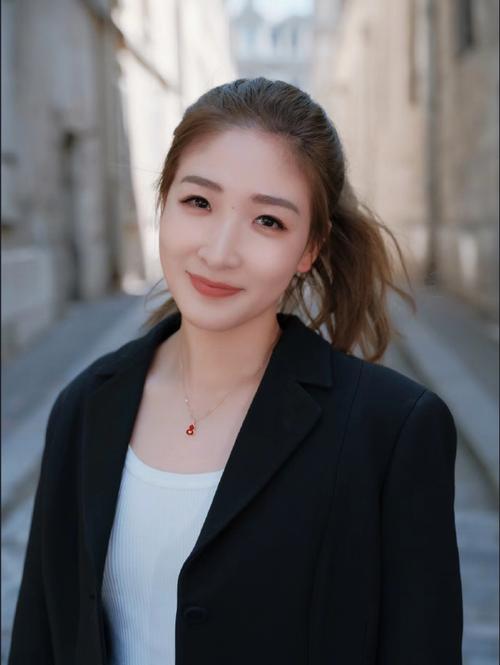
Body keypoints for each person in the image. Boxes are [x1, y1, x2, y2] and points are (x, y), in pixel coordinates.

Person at [8, 77, 463, 665]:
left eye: (268, 221)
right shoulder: (86, 405)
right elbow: (41, 639)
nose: (219, 252)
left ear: (309, 248)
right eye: (199, 202)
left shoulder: (393, 431)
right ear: (163, 202)